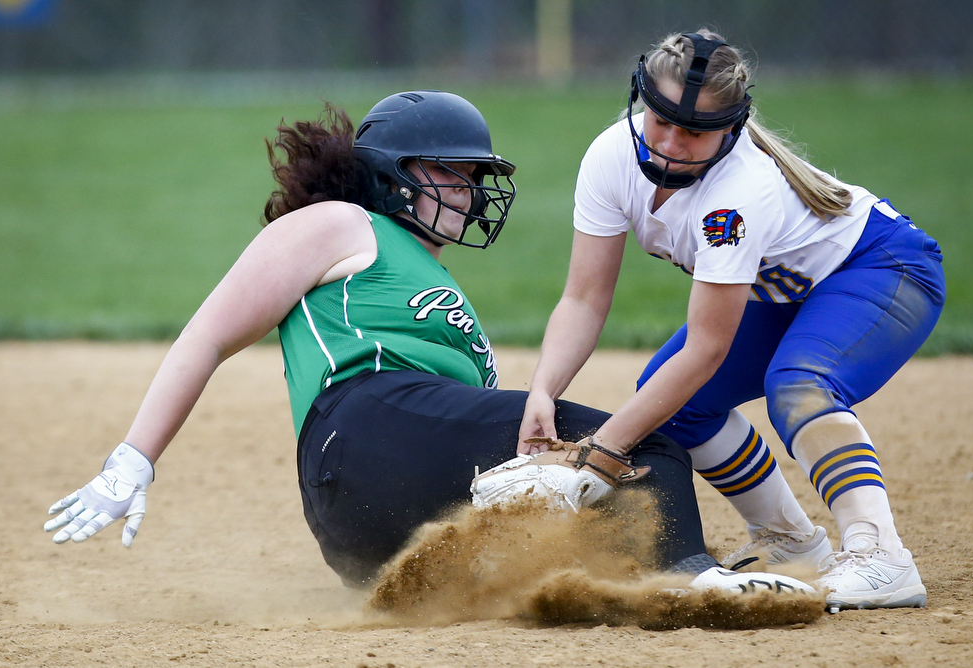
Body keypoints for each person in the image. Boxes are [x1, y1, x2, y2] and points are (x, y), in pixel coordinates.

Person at [42, 90, 808, 595]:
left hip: (372, 537)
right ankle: (697, 576)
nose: (469, 192)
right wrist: (133, 459)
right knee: (644, 444)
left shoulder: (442, 292)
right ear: (387, 176)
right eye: (449, 170)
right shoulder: (339, 225)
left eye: (474, 176)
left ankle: (646, 586)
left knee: (588, 506)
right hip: (364, 427)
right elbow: (206, 336)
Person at [517, 30, 944, 610]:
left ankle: (882, 555)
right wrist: (544, 388)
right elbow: (585, 299)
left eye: (693, 131)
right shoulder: (612, 154)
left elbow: (707, 349)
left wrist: (603, 449)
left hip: (882, 267)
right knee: (677, 404)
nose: (668, 143)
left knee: (799, 386)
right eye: (659, 119)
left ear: (732, 129)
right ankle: (794, 545)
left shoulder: (736, 193)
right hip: (787, 291)